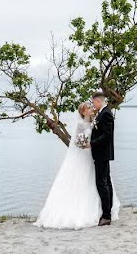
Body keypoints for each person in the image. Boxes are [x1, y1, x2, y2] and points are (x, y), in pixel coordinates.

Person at [34, 101, 119, 229]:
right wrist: (85, 144)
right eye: (88, 108)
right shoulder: (81, 124)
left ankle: (104, 211)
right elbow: (78, 142)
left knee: (99, 182)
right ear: (83, 112)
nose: (91, 109)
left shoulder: (94, 121)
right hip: (85, 155)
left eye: (91, 107)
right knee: (87, 181)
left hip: (94, 155)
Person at [90, 91, 116, 226]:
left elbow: (107, 135)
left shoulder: (106, 113)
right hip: (102, 154)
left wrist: (91, 143)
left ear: (98, 101)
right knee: (106, 182)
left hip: (102, 153)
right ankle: (107, 213)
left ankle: (106, 216)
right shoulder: (102, 112)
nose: (92, 104)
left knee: (102, 183)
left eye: (93, 102)